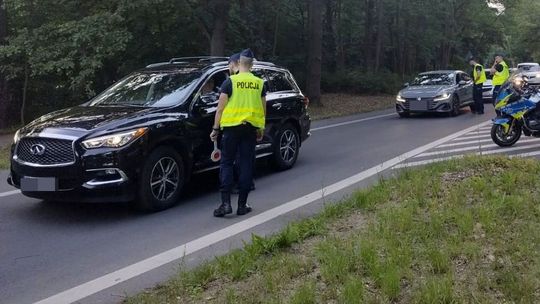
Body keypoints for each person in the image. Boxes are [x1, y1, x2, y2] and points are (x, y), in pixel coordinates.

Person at [210, 49, 267, 217]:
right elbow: (263, 110)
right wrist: (260, 129)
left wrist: (215, 129)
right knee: (246, 165)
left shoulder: (230, 82)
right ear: (252, 65)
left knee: (226, 164)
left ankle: (225, 204)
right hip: (249, 129)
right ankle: (242, 205)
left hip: (231, 129)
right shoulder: (259, 83)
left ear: (239, 63)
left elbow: (220, 109)